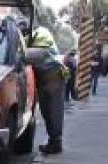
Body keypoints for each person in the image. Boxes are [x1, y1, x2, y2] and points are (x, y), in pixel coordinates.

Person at [29, 26, 69, 154]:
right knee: (48, 110)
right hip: (52, 74)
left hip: (53, 74)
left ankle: (56, 143)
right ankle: (54, 142)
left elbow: (22, 54)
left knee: (52, 110)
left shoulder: (38, 41)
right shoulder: (41, 34)